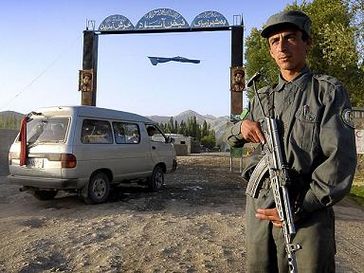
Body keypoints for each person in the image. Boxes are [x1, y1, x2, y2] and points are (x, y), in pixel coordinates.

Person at [224, 10, 357, 273]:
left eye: (290, 38)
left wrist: (301, 205)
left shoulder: (327, 92)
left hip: (305, 212)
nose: (282, 47)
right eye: (275, 41)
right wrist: (242, 126)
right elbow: (228, 135)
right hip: (261, 210)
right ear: (270, 50)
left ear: (307, 43)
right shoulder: (263, 97)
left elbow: (340, 160)